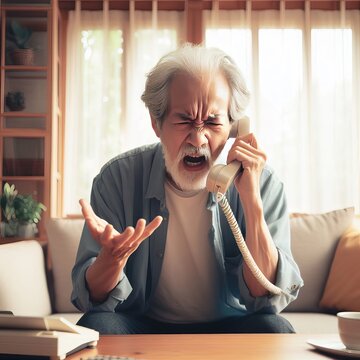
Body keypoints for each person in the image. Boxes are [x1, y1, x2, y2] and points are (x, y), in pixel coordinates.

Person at [71, 43, 303, 334]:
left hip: (230, 324)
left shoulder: (262, 182)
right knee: (96, 325)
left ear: (234, 127)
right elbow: (90, 298)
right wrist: (111, 259)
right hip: (142, 323)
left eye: (212, 122)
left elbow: (267, 298)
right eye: (184, 120)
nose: (198, 139)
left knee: (276, 329)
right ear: (157, 123)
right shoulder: (117, 178)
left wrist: (251, 199)